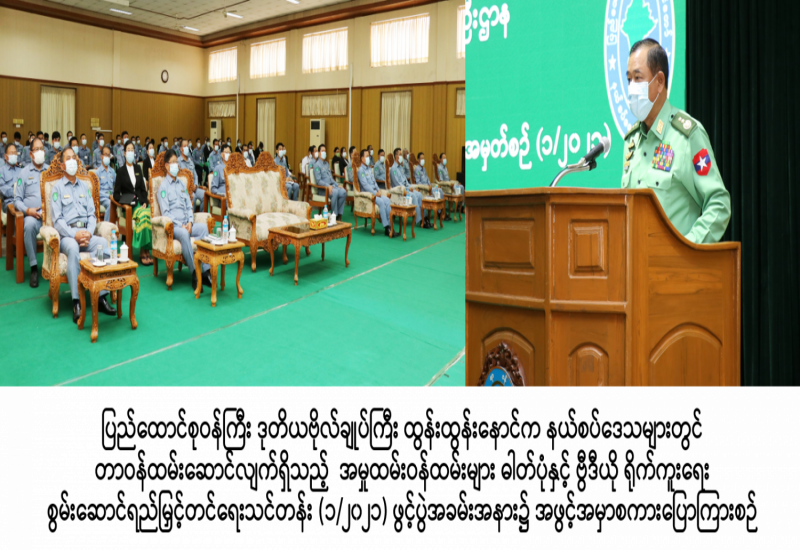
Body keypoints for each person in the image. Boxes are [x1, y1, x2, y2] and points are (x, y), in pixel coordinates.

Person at [623, 39, 730, 243]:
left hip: (673, 262)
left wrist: (688, 247)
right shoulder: (632, 141)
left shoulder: (687, 136)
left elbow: (719, 203)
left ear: (659, 81)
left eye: (638, 78)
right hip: (636, 261)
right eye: (629, 79)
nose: (631, 87)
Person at [52, 147, 117, 322]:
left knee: (103, 244)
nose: (72, 161)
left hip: (86, 233)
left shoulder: (84, 186)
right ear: (62, 165)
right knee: (73, 248)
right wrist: (75, 234)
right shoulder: (57, 188)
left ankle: (101, 297)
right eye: (68, 158)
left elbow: (92, 215)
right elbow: (57, 220)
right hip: (68, 237)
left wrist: (88, 232)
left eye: (74, 157)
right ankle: (76, 302)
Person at [157, 150, 212, 291]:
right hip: (175, 227)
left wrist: (190, 222)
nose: (176, 165)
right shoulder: (163, 188)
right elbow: (166, 213)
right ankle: (194, 274)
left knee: (204, 229)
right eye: (173, 162)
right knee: (184, 233)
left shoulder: (182, 185)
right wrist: (181, 225)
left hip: (187, 224)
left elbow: (189, 206)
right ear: (167, 166)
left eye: (176, 162)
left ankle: (206, 271)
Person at [14, 138, 49, 287]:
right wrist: (28, 211)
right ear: (31, 154)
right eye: (37, 149)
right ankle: (34, 268)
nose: (40, 152)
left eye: (42, 149)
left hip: (50, 216)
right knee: (28, 225)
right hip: (33, 217)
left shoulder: (50, 171)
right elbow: (17, 200)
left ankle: (58, 266)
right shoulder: (24, 173)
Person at [114, 141, 153, 266]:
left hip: (141, 204)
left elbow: (143, 189)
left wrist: (144, 201)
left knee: (148, 213)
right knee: (143, 215)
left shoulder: (138, 168)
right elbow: (116, 194)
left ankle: (147, 251)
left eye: (132, 150)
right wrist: (126, 201)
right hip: (130, 207)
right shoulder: (120, 171)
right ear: (125, 153)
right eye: (128, 150)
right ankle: (143, 252)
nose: (131, 152)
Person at [355, 149, 394, 238]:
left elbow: (374, 182)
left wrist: (378, 190)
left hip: (375, 192)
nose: (368, 158)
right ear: (362, 158)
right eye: (366, 156)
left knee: (388, 200)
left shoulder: (369, 169)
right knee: (381, 202)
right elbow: (365, 185)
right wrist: (374, 193)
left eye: (368, 156)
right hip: (368, 195)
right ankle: (386, 227)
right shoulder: (361, 170)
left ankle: (390, 226)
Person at [390, 148, 429, 229]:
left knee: (419, 194)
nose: (401, 157)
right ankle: (420, 220)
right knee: (413, 195)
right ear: (396, 157)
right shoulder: (393, 169)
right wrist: (407, 189)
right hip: (400, 191)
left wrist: (410, 187)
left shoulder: (401, 167)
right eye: (400, 155)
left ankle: (425, 218)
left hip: (406, 187)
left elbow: (405, 181)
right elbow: (398, 184)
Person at [312, 144, 347, 221]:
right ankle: (334, 215)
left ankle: (338, 214)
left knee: (343, 192)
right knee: (335, 192)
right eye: (322, 151)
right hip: (323, 189)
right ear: (319, 153)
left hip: (332, 186)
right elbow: (318, 181)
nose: (324, 152)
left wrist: (337, 185)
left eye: (325, 151)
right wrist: (328, 186)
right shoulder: (317, 165)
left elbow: (331, 178)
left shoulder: (327, 164)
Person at [96, 145, 116, 222]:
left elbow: (116, 185)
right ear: (101, 156)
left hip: (112, 196)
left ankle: (116, 226)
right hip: (103, 197)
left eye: (108, 155)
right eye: (105, 154)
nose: (107, 157)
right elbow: (96, 191)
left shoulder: (112, 171)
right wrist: (108, 196)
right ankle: (106, 226)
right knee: (110, 203)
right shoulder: (98, 172)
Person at [1, 142, 22, 214]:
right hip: (10, 202)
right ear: (6, 156)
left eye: (15, 153)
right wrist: (17, 192)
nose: (14, 155)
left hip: (22, 201)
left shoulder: (21, 171)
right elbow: (3, 189)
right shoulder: (1, 171)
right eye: (11, 153)